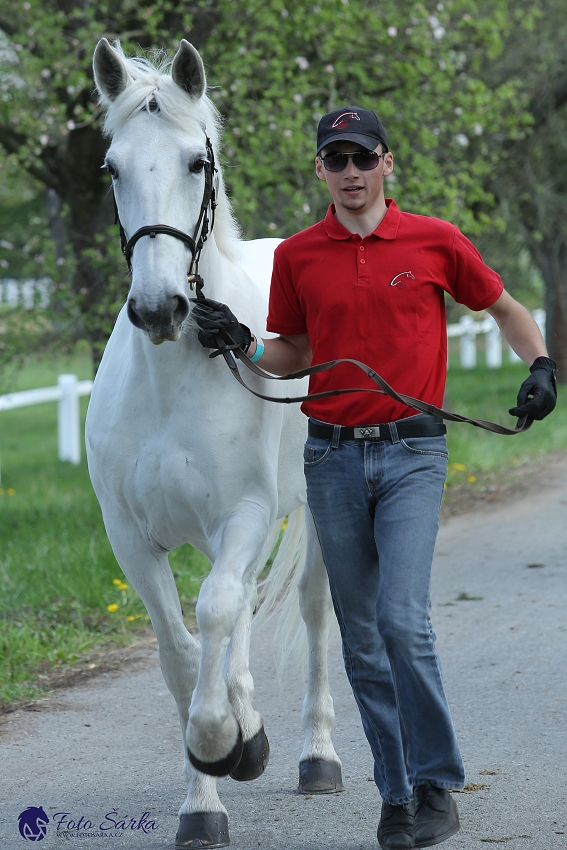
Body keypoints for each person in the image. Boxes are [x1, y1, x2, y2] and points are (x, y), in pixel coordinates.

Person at [193, 106, 557, 849]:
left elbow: (505, 307)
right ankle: (395, 796)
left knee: (401, 619)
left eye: (363, 158)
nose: (350, 173)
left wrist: (542, 366)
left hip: (411, 455)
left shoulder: (434, 240)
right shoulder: (299, 255)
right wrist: (243, 345)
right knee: (359, 638)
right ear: (320, 170)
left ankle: (436, 783)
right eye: (337, 159)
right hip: (328, 457)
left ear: (386, 163)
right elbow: (293, 352)